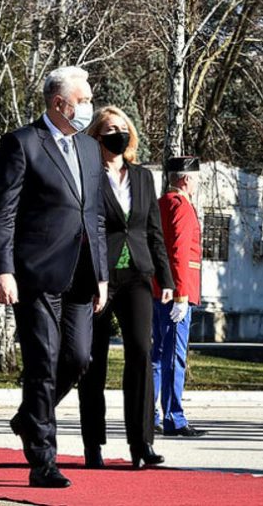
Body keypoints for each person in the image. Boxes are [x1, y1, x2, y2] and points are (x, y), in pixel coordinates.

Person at [0, 66, 109, 487]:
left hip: (81, 273)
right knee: (42, 362)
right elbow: (1, 214)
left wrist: (103, 275)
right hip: (35, 273)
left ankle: (28, 416)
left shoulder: (90, 150)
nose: (89, 106)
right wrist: (2, 270)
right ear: (60, 103)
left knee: (77, 358)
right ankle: (43, 460)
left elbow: (93, 214)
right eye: (84, 99)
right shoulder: (22, 144)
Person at [78, 107, 174, 469]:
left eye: (122, 129)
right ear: (96, 136)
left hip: (136, 274)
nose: (116, 134)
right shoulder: (86, 176)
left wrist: (166, 277)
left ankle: (141, 442)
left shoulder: (143, 177)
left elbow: (153, 230)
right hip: (96, 276)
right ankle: (93, 444)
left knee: (140, 352)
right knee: (93, 360)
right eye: (108, 129)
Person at [152, 156, 207, 437]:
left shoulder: (161, 204)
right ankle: (174, 417)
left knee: (158, 355)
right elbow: (178, 253)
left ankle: (150, 415)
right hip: (177, 292)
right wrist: (181, 295)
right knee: (174, 355)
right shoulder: (182, 207)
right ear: (185, 179)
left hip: (159, 289)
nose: (197, 184)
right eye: (196, 178)